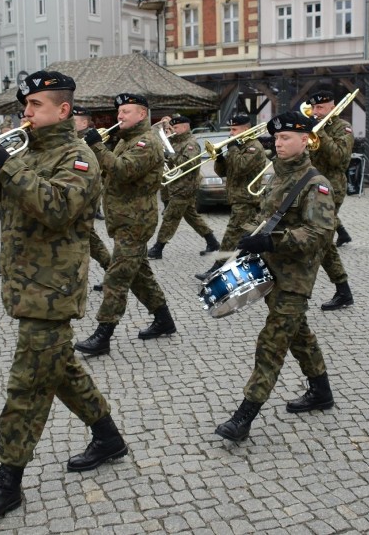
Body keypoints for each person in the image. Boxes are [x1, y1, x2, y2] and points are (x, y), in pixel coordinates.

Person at [0, 71, 127, 522]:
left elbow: (58, 209)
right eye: (25, 106)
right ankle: (108, 437)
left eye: (34, 106)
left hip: (53, 290)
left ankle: (7, 481)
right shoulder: (27, 151)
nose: (25, 113)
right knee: (63, 369)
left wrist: (7, 167)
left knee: (28, 385)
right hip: (24, 284)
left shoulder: (79, 157)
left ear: (63, 110)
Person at [215, 110, 336, 442]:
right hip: (269, 270)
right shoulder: (277, 176)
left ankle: (244, 416)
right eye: (277, 138)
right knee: (299, 334)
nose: (278, 143)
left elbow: (320, 234)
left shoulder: (316, 183)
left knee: (273, 341)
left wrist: (273, 240)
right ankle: (321, 391)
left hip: (296, 276)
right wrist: (247, 239)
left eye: (285, 138)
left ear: (306, 140)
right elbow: (264, 215)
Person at [75, 93, 177, 356]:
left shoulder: (147, 143)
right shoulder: (126, 140)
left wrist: (98, 147)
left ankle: (103, 335)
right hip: (124, 219)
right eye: (119, 112)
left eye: (126, 112)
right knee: (140, 274)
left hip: (136, 221)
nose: (120, 116)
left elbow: (122, 170)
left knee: (117, 277)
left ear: (142, 114)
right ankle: (164, 319)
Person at [195, 112, 267, 281]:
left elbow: (241, 167)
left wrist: (232, 147)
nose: (231, 133)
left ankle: (217, 269)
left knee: (231, 236)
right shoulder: (239, 147)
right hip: (238, 199)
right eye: (231, 129)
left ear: (246, 129)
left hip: (246, 200)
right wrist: (219, 157)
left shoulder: (253, 147)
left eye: (235, 129)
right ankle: (251, 267)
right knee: (246, 236)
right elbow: (223, 173)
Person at [307, 91, 356, 310]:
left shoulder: (342, 127)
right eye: (314, 108)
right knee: (322, 240)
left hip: (331, 188)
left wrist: (320, 132)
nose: (316, 112)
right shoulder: (313, 125)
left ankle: (339, 290)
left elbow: (339, 158)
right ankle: (343, 291)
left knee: (320, 239)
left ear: (332, 106)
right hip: (311, 185)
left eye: (321, 108)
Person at [147, 116, 220, 260]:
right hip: (176, 185)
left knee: (170, 217)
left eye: (176, 128)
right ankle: (212, 242)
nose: (173, 130)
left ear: (185, 127)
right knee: (192, 216)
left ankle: (158, 247)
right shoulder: (176, 142)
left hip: (185, 187)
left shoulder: (191, 144)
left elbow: (189, 164)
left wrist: (170, 155)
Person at [73, 105, 112, 291]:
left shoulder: (93, 138)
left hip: (86, 192)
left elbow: (101, 165)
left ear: (84, 122)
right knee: (88, 238)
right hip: (74, 191)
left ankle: (113, 273)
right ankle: (113, 273)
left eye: (74, 120)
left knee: (88, 238)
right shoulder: (71, 138)